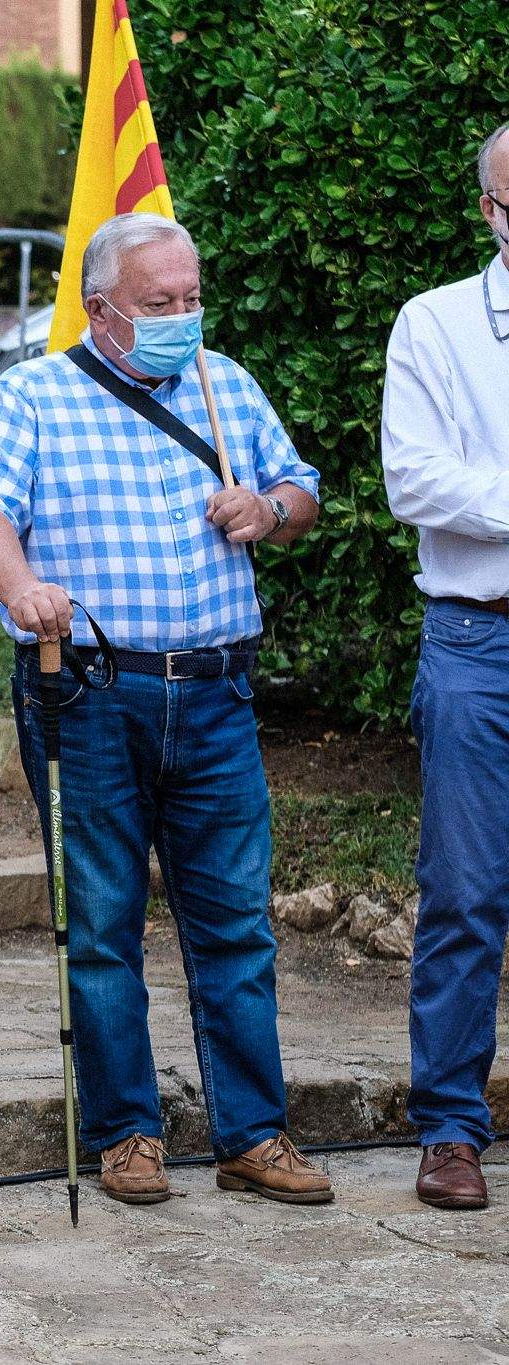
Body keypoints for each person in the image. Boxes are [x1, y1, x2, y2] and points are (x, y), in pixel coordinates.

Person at [0, 211, 330, 1206]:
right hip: (87, 692)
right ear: (99, 310)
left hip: (215, 691)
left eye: (189, 299)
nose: (179, 318)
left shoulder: (225, 383)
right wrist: (21, 585)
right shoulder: (32, 392)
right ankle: (125, 1132)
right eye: (156, 305)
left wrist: (267, 510)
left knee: (234, 923)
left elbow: (300, 491)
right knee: (101, 922)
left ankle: (253, 1133)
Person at [381, 123, 509, 1211]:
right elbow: (413, 482)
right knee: (464, 892)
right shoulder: (433, 323)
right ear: (486, 210)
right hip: (478, 638)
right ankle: (449, 1129)